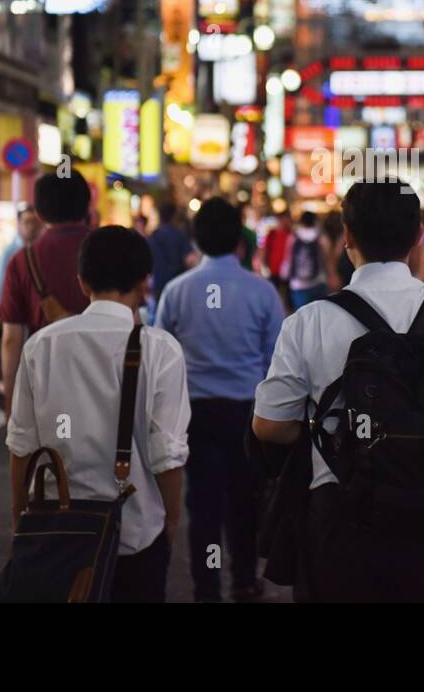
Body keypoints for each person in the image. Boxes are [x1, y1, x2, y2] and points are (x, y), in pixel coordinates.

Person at [253, 179, 424, 601]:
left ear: (347, 236)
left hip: (343, 531)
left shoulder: (308, 322)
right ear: (418, 235)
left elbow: (268, 427)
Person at [8, 226, 190, 603]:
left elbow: (21, 447)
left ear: (81, 281)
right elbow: (166, 455)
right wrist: (169, 523)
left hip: (56, 534)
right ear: (145, 282)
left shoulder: (42, 344)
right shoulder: (160, 349)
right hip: (137, 536)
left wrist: (20, 519)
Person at [155, 199, 285, 602]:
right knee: (244, 503)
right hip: (247, 413)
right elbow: (276, 361)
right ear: (239, 240)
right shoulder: (262, 292)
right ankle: (244, 580)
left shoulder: (176, 291)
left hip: (195, 413)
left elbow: (163, 354)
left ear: (196, 238)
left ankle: (207, 587)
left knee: (204, 508)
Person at [0, 173, 93, 417]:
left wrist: (11, 402)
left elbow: (11, 339)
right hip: (105, 385)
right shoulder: (109, 251)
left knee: (50, 453)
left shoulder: (22, 260)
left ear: (39, 214)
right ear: (87, 205)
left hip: (45, 388)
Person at [0, 204, 42, 334]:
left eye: (34, 222)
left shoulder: (41, 250)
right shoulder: (9, 253)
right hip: (15, 313)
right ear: (19, 224)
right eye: (27, 222)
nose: (31, 226)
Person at [283, 210, 330, 309]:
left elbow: (288, 257)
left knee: (302, 318)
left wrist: (285, 274)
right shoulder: (321, 237)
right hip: (318, 281)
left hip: (297, 284)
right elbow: (327, 259)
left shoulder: (294, 236)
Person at [260, 211, 294, 305]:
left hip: (289, 271)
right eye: (283, 219)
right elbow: (265, 249)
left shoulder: (292, 234)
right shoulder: (272, 234)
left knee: (288, 297)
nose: (285, 222)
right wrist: (263, 265)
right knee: (274, 296)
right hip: (274, 269)